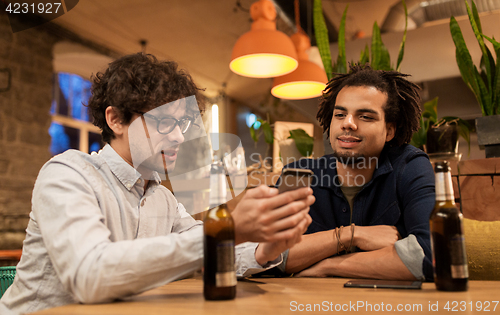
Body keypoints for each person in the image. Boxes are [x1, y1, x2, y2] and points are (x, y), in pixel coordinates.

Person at [0, 53, 314, 314]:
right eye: (164, 122)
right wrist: (227, 229)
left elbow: (207, 248)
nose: (180, 136)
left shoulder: (161, 197)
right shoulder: (68, 173)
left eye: (184, 123)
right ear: (116, 120)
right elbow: (90, 275)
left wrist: (265, 248)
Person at [279, 64, 434, 281]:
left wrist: (328, 266)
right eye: (340, 114)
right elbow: (268, 256)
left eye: (366, 117)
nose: (348, 124)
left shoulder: (410, 166)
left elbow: (429, 256)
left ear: (389, 131)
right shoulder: (298, 174)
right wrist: (351, 235)